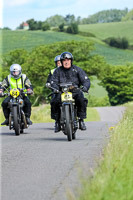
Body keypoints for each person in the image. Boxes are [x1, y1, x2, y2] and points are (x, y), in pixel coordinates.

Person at [51, 52, 90, 132]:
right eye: (64, 60)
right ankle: (57, 122)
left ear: (71, 61)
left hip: (75, 91)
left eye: (68, 60)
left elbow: (85, 80)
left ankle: (81, 120)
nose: (66, 61)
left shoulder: (77, 69)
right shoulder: (57, 71)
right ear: (61, 62)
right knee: (54, 101)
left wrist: (85, 87)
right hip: (61, 92)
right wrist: (55, 88)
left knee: (82, 99)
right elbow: (53, 82)